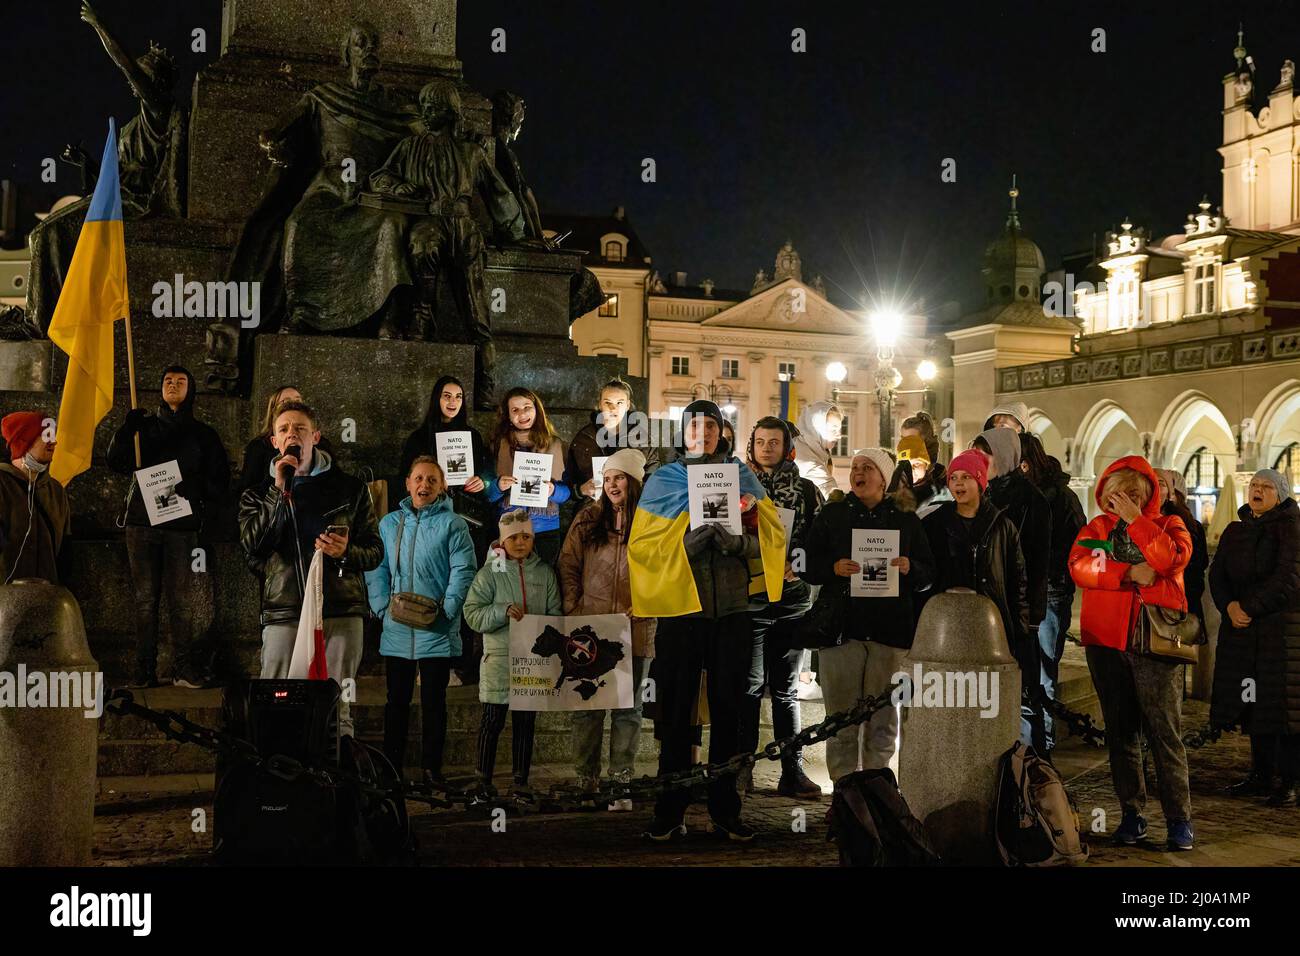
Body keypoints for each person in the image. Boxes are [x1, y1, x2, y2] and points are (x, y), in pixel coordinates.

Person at [628, 399, 785, 842]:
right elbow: (642, 545)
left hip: (732, 612)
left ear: (722, 433)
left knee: (730, 711)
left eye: (711, 426)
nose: (703, 433)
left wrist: (738, 545)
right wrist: (687, 543)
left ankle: (725, 808)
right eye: (694, 426)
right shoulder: (663, 480)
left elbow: (771, 538)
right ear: (684, 433)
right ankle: (669, 809)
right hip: (682, 611)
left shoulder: (742, 476)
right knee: (677, 713)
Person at [1069, 456, 1195, 850]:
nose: (1120, 502)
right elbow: (1079, 567)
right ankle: (1132, 814)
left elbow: (1171, 559)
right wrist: (1125, 574)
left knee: (1164, 732)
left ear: (1145, 496)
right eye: (1116, 494)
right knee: (1121, 733)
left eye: (1131, 494)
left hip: (1155, 642)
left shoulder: (1169, 525)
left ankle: (1179, 820)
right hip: (1106, 642)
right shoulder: (1096, 529)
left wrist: (1139, 523)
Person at [238, 400, 382, 739]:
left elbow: (375, 552)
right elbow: (253, 548)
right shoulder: (256, 495)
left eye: (300, 428)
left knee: (337, 706)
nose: (292, 434)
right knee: (276, 702)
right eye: (284, 429)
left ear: (314, 436)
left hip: (340, 610)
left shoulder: (351, 489)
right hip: (284, 612)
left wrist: (346, 552)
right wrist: (277, 491)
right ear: (274, 442)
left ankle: (337, 771)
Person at [805, 448, 934, 782]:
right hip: (842, 632)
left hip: (889, 633)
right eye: (856, 467)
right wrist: (832, 567)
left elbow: (929, 573)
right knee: (841, 722)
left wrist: (910, 567)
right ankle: (845, 795)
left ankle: (878, 792)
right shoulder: (832, 515)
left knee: (883, 722)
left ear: (883, 478)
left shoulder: (905, 519)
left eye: (868, 468)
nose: (858, 473)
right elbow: (805, 564)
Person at [107, 366, 229, 689]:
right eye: (167, 381)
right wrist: (124, 431)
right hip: (142, 524)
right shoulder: (143, 428)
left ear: (191, 390)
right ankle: (144, 671)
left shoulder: (204, 434)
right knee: (145, 599)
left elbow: (221, 481)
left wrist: (196, 487)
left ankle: (182, 668)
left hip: (181, 526)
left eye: (181, 381)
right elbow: (116, 462)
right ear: (159, 388)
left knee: (181, 599)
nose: (173, 385)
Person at [366, 456, 476, 785]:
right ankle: (391, 767)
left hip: (436, 628)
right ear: (408, 484)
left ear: (442, 486)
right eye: (418, 479)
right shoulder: (389, 524)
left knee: (434, 702)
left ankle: (432, 768)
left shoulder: (454, 525)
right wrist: (382, 607)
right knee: (395, 701)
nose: (424, 485)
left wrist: (449, 608)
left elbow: (463, 569)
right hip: (398, 627)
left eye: (431, 480)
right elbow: (377, 568)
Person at [558, 448, 656, 810]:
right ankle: (587, 778)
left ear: (633, 482)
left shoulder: (650, 521)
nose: (613, 484)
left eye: (620, 478)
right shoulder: (588, 518)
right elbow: (567, 563)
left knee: (628, 709)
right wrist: (573, 605)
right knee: (588, 705)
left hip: (636, 625)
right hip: (591, 626)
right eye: (609, 478)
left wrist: (646, 604)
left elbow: (662, 569)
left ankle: (620, 779)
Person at [739, 417, 824, 798]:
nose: (768, 447)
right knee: (750, 687)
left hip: (791, 601)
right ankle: (740, 770)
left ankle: (793, 769)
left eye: (775, 441)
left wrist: (799, 564)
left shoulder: (806, 490)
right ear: (751, 445)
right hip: (750, 598)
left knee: (787, 690)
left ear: (787, 446)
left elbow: (818, 537)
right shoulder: (736, 486)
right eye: (761, 441)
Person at [1209, 469, 1300, 807]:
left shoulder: (1292, 527)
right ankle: (1260, 774)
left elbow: (1289, 577)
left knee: (1285, 710)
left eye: (1266, 487)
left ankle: (1289, 780)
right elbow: (1217, 574)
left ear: (1281, 494)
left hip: (1282, 636)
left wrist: (1248, 607)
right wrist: (1229, 606)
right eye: (1254, 486)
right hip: (1245, 636)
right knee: (1255, 704)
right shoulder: (1236, 530)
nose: (1257, 490)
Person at [400, 375, 495, 682]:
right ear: (436, 399)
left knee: (462, 589)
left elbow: (488, 476)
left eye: (458, 396)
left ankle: (460, 663)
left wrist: (483, 481)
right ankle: (422, 660)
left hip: (467, 523)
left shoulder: (473, 435)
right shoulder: (418, 438)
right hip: (429, 524)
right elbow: (406, 480)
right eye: (446, 396)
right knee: (429, 589)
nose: (452, 402)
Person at [462, 509, 561, 797]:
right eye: (514, 537)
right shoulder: (489, 574)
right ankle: (483, 780)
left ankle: (520, 781)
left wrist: (546, 629)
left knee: (525, 722)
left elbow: (555, 612)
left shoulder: (544, 573)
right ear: (503, 541)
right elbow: (472, 614)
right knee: (491, 719)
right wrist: (500, 612)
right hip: (499, 660)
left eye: (526, 537)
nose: (520, 542)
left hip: (532, 663)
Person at [921, 449, 1031, 702]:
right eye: (953, 478)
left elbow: (1018, 580)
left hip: (992, 623)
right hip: (946, 624)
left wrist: (1020, 629)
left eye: (966, 477)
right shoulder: (935, 524)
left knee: (986, 699)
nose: (958, 483)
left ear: (980, 482)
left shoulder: (1002, 526)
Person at [973, 426, 1050, 748]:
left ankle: (1031, 768)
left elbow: (1036, 563)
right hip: (983, 610)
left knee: (1024, 693)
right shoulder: (981, 494)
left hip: (1014, 611)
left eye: (984, 454)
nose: (979, 461)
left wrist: (1031, 614)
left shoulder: (1032, 501)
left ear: (1004, 457)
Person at [1021, 432, 1085, 754]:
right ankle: (1023, 744)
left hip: (1049, 591)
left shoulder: (1060, 496)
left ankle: (1041, 748)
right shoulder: (1015, 494)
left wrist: (1051, 573)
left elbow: (1077, 544)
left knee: (1044, 672)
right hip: (1022, 591)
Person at [486, 387, 569, 565]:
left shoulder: (555, 444)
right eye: (515, 410)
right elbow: (487, 494)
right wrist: (497, 486)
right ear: (507, 415)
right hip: (509, 528)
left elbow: (567, 493)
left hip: (545, 529)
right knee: (507, 582)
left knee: (544, 582)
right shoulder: (498, 445)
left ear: (536, 409)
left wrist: (554, 490)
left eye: (527, 407)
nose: (522, 413)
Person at [0, 411, 71, 585]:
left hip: (48, 600)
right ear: (24, 441)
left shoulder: (56, 490)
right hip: (6, 603)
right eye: (47, 435)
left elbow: (66, 551)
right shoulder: (2, 485)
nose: (54, 442)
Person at [236, 385, 336, 494]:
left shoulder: (322, 444)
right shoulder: (258, 447)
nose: (294, 404)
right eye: (285, 402)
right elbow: (249, 488)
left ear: (315, 437)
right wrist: (278, 489)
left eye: (298, 400)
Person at [564, 378, 646, 501]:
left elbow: (652, 478)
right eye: (608, 402)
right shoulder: (584, 437)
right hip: (594, 509)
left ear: (627, 405)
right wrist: (581, 490)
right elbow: (569, 482)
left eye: (619, 403)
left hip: (631, 508)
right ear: (599, 404)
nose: (613, 408)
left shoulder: (642, 438)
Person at [1157, 469, 1208, 625]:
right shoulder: (1193, 524)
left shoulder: (1181, 525)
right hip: (1186, 602)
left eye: (1160, 484)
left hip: (1175, 603)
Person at [899, 411, 947, 511]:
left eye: (912, 440)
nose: (907, 445)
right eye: (903, 439)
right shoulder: (897, 481)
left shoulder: (942, 482)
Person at [793, 400, 843, 496]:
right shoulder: (807, 461)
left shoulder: (806, 448)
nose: (839, 436)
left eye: (839, 429)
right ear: (816, 428)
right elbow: (831, 496)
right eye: (833, 429)